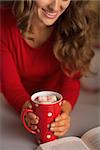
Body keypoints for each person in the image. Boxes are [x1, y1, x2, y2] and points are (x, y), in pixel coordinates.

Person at [0, 0, 96, 138]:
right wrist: (28, 111)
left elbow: (71, 81)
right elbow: (11, 87)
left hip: (56, 105)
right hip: (13, 108)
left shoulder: (75, 24)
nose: (54, 7)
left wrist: (64, 113)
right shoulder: (2, 23)